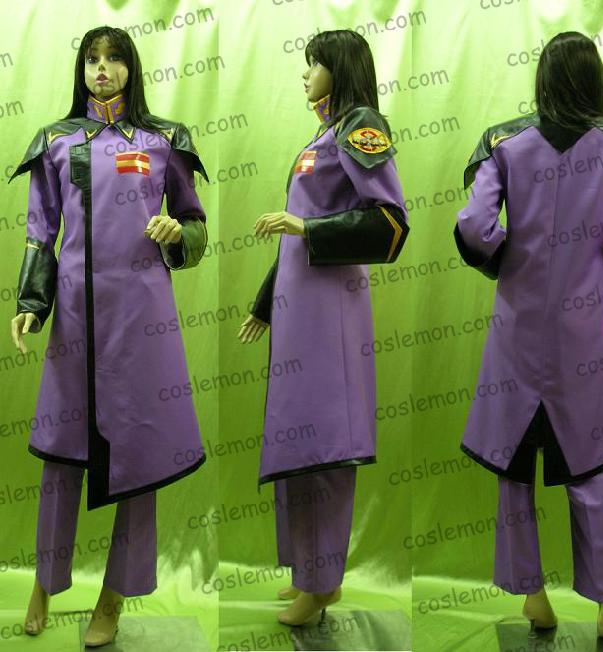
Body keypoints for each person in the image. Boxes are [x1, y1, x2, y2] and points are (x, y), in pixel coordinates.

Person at [453, 31, 603, 640]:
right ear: (595, 79)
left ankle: (534, 597)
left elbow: (473, 226)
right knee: (589, 467)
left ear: (542, 79)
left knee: (515, 467)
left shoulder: (504, 143)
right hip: (581, 338)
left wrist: (507, 261)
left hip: (516, 334)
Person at [8, 26, 209, 647]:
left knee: (138, 453)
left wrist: (179, 233)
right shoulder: (55, 141)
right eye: (92, 59)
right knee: (61, 454)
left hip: (141, 319)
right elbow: (41, 231)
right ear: (81, 70)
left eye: (114, 58)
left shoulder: (163, 140)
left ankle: (114, 598)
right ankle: (45, 581)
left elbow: (196, 224)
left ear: (131, 67)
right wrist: (31, 302)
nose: (103, 68)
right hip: (74, 316)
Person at [237, 30, 409, 626]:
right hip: (297, 311)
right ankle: (309, 573)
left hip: (330, 312)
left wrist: (307, 229)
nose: (306, 74)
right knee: (298, 440)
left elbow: (389, 223)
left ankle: (323, 582)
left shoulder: (361, 128)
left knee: (326, 446)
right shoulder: (322, 136)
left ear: (339, 67)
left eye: (314, 64)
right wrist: (265, 303)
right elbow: (296, 231)